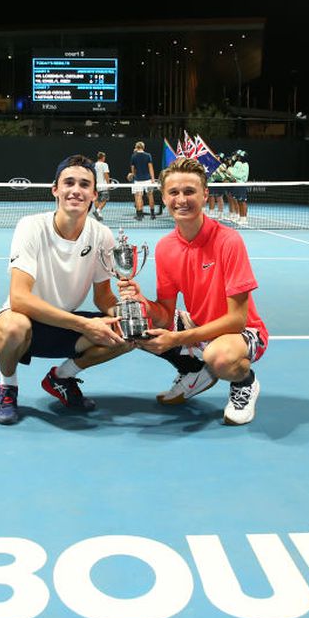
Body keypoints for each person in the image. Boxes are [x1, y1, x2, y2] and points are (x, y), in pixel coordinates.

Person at [118, 157, 267, 425]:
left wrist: (177, 339)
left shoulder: (229, 241)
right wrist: (141, 302)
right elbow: (164, 313)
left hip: (241, 333)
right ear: (163, 196)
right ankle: (193, 369)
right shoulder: (165, 247)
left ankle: (245, 383)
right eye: (173, 192)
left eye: (189, 191)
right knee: (132, 323)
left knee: (219, 358)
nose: (181, 199)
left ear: (205, 194)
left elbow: (237, 320)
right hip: (197, 325)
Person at [0, 154, 131, 425]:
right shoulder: (31, 227)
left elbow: (103, 297)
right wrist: (83, 325)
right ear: (55, 189)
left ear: (93, 194)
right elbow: (19, 299)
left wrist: (130, 312)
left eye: (84, 184)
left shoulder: (102, 235)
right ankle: (7, 387)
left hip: (67, 326)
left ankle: (61, 378)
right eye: (68, 183)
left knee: (128, 333)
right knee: (12, 327)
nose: (76, 190)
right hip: (27, 324)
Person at [130, 140, 158, 220]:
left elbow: (133, 170)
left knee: (138, 197)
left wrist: (134, 176)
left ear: (136, 147)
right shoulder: (148, 155)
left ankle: (139, 216)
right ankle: (152, 215)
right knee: (150, 196)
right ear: (143, 147)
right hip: (148, 180)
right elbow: (150, 167)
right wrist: (152, 179)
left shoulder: (133, 156)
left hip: (138, 180)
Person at [228, 149, 250, 225]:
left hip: (241, 185)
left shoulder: (245, 165)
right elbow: (235, 173)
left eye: (239, 156)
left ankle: (244, 218)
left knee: (242, 201)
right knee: (239, 201)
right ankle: (241, 217)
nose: (238, 157)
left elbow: (240, 175)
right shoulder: (238, 164)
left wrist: (230, 171)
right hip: (236, 184)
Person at [92, 151, 110, 220]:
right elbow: (106, 174)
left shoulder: (94, 165)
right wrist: (108, 184)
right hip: (103, 185)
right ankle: (98, 211)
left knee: (97, 199)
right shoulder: (104, 165)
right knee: (105, 199)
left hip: (96, 185)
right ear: (103, 157)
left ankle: (98, 213)